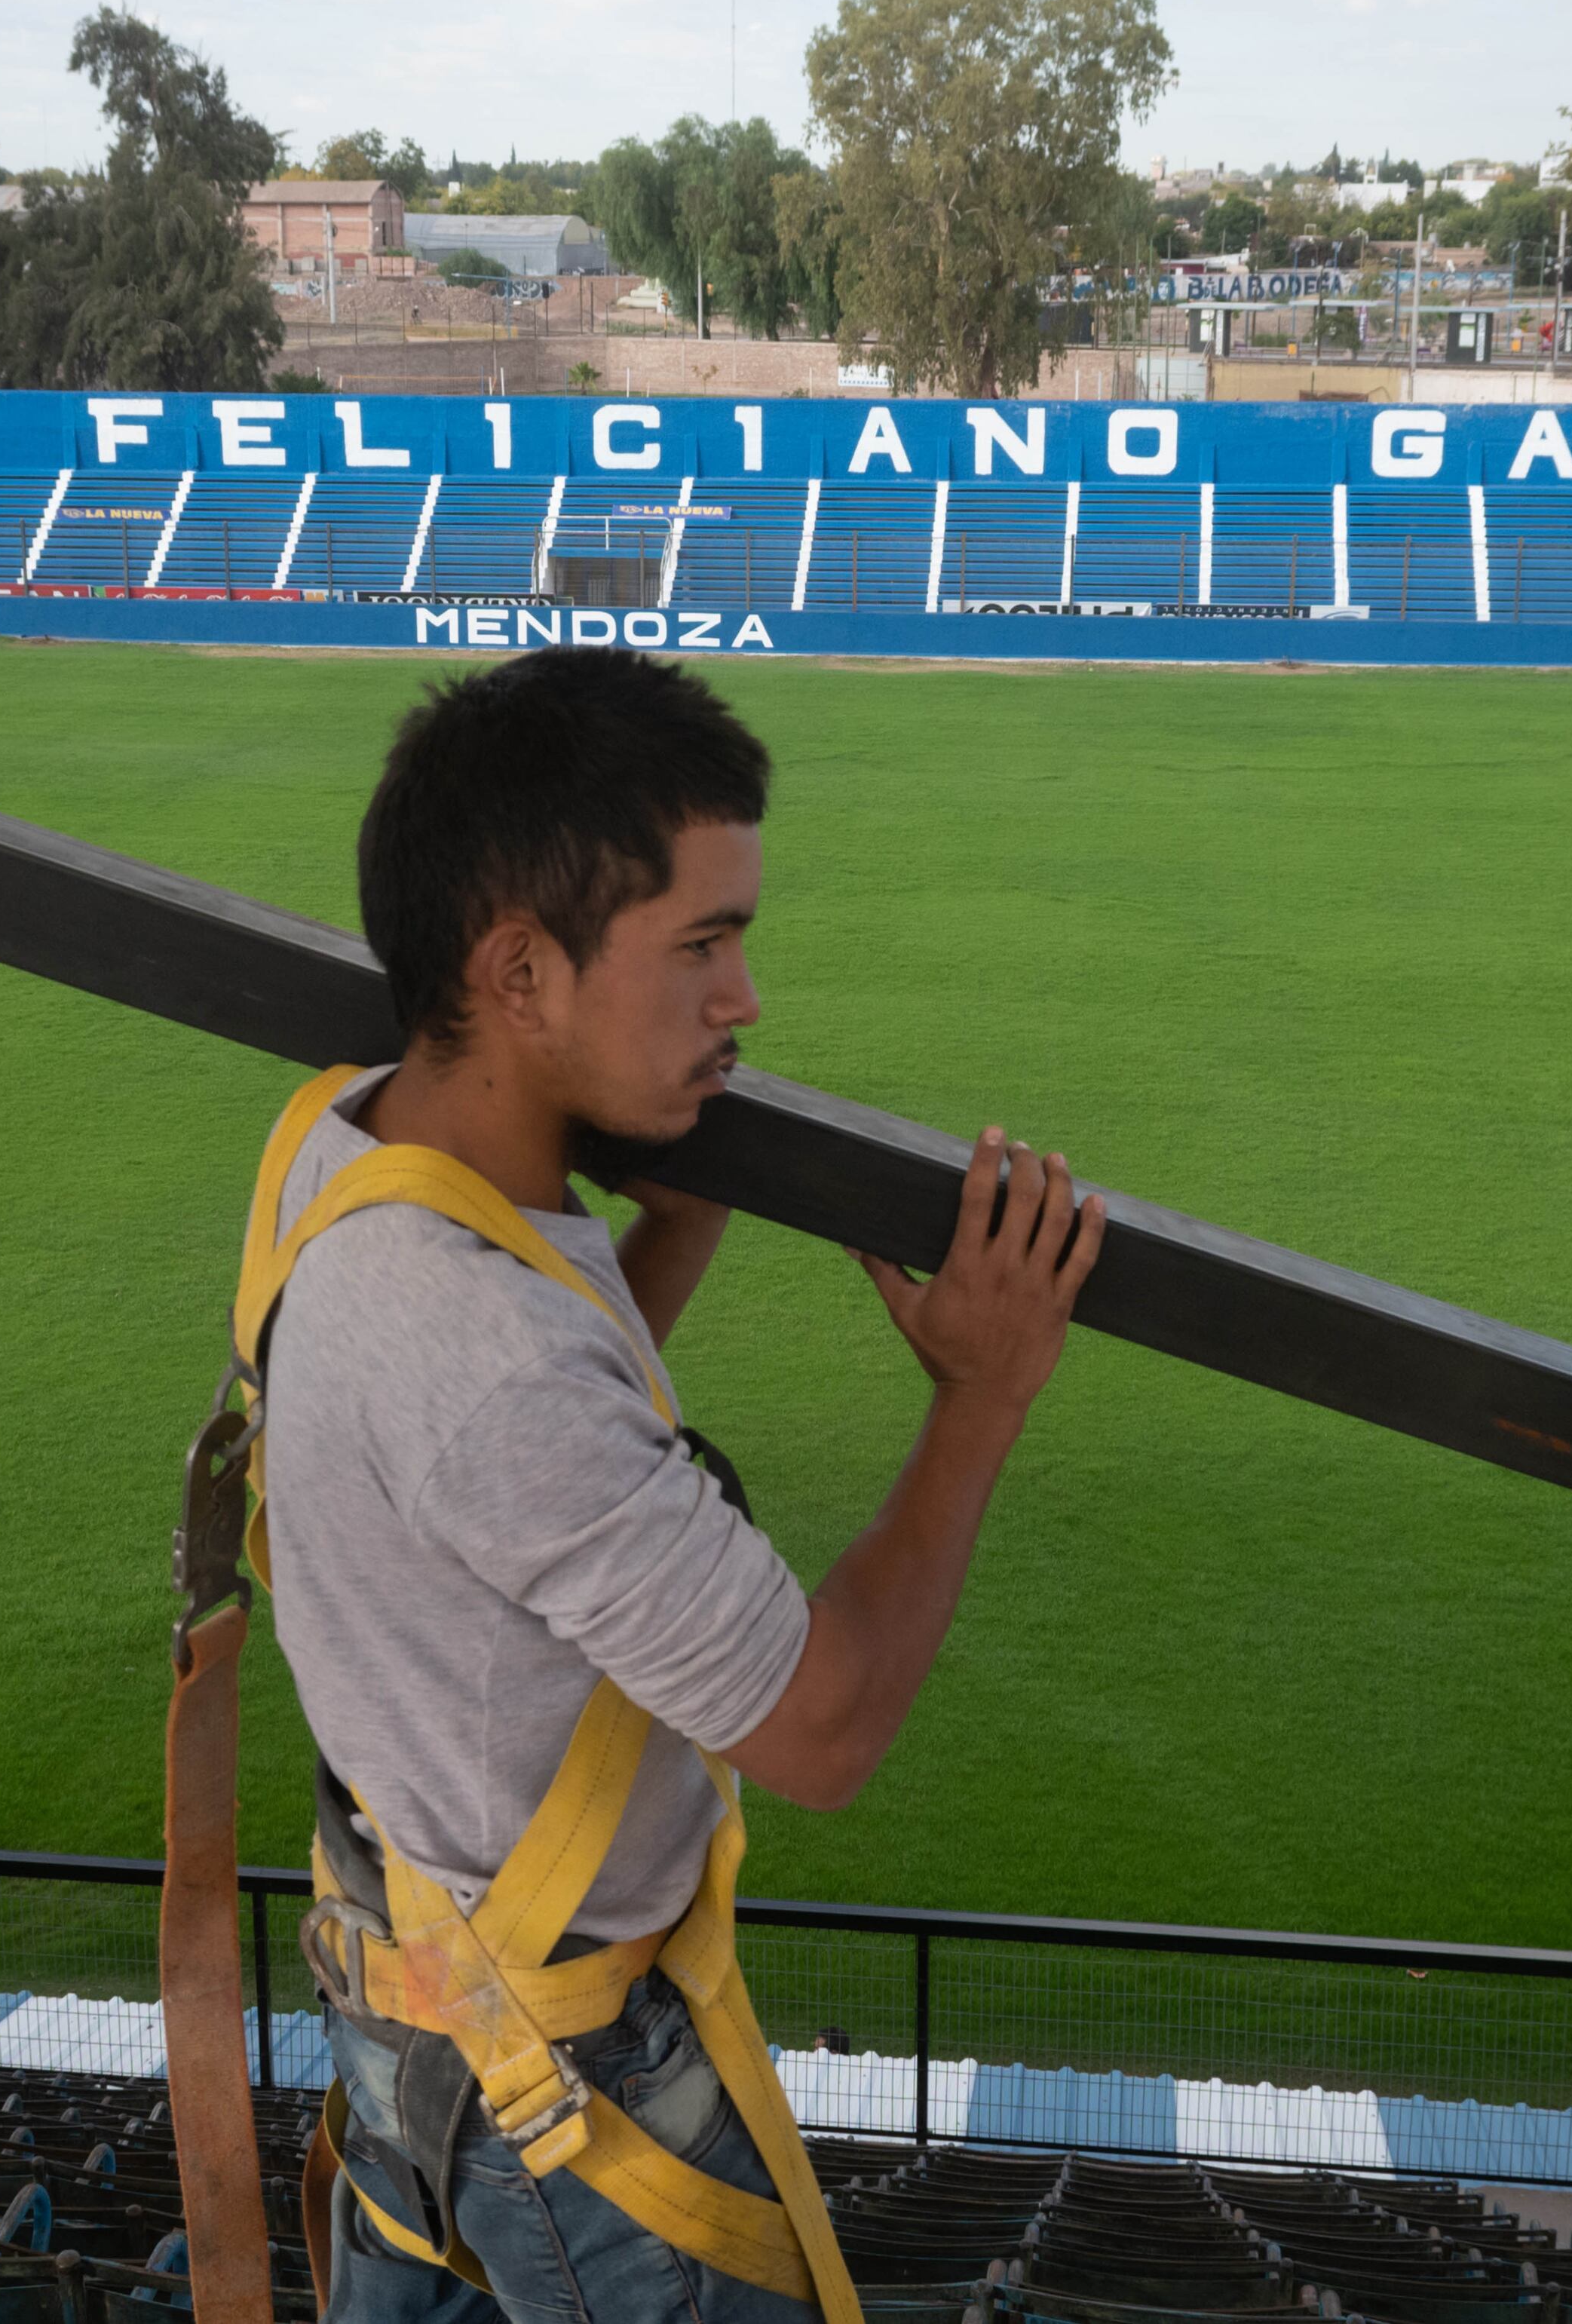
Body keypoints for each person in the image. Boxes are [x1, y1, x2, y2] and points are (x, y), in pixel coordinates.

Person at [244, 645, 1104, 2324]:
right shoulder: (488, 1359)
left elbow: (476, 1486)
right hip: (563, 2091)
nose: (744, 999)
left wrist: (681, 1214)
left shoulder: (337, 1150)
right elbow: (828, 1723)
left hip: (413, 2012)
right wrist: (981, 1396)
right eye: (700, 943)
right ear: (519, 971)